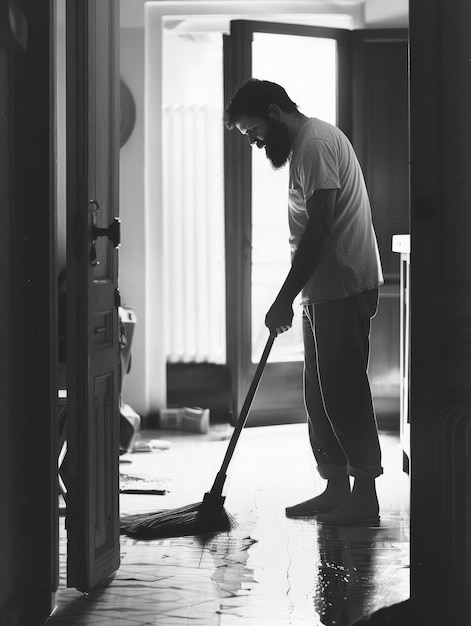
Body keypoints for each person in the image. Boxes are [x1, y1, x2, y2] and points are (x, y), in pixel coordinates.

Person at [224, 79, 384, 525]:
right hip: (325, 289)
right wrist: (300, 296)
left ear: (275, 112)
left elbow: (321, 229)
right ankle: (336, 487)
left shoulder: (313, 145)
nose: (255, 144)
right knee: (320, 394)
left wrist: (282, 300)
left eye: (253, 132)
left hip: (344, 285)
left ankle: (364, 493)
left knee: (343, 390)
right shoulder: (304, 148)